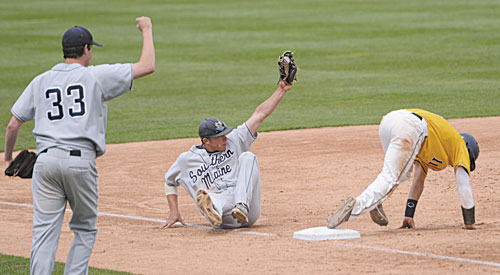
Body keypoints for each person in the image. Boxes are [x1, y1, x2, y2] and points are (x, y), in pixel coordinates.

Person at [4, 17, 155, 275]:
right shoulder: (95, 76)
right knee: (84, 227)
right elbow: (147, 65)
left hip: (44, 163)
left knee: (43, 235)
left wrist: (7, 159)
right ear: (86, 50)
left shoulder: (41, 80)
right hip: (80, 162)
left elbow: (13, 123)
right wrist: (147, 30)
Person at [162, 80, 293, 229]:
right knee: (211, 196)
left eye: (225, 133)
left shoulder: (235, 140)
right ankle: (213, 209)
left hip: (248, 209)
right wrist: (174, 211)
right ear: (206, 141)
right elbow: (169, 181)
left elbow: (259, 114)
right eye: (220, 136)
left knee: (248, 157)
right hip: (225, 218)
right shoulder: (186, 160)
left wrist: (281, 90)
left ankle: (240, 205)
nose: (225, 138)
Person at [326, 108, 479, 230]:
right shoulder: (460, 145)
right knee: (391, 177)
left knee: (401, 174)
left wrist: (409, 215)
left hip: (390, 121)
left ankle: (375, 203)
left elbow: (418, 182)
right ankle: (356, 206)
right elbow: (463, 182)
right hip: (413, 126)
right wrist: (469, 221)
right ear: (469, 151)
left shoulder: (440, 145)